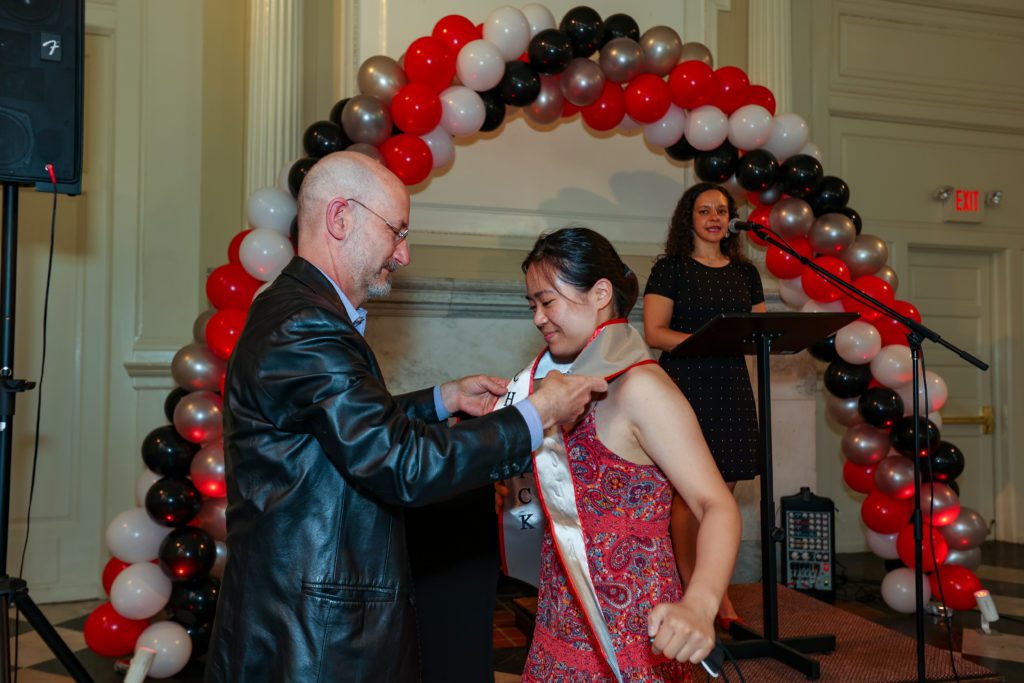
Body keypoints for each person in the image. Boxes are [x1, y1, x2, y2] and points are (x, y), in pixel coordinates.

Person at [204, 152, 607, 682]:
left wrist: (442, 399)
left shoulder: (296, 306)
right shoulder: (307, 327)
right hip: (311, 629)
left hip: (295, 602)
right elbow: (402, 463)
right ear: (340, 218)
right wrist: (538, 414)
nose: (404, 253)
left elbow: (343, 424)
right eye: (396, 232)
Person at [516, 227, 741, 682]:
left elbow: (716, 505)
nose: (538, 318)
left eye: (547, 301)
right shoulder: (563, 381)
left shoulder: (643, 389)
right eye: (533, 306)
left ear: (600, 293)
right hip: (564, 604)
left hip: (634, 623)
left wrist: (699, 603)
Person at [642, 182, 766, 627]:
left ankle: (715, 592)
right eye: (704, 211)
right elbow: (655, 332)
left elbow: (759, 330)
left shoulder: (745, 274)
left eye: (721, 210)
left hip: (731, 384)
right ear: (688, 219)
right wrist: (706, 342)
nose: (714, 217)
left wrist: (744, 340)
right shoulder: (671, 268)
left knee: (723, 496)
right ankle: (695, 594)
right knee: (686, 496)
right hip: (685, 385)